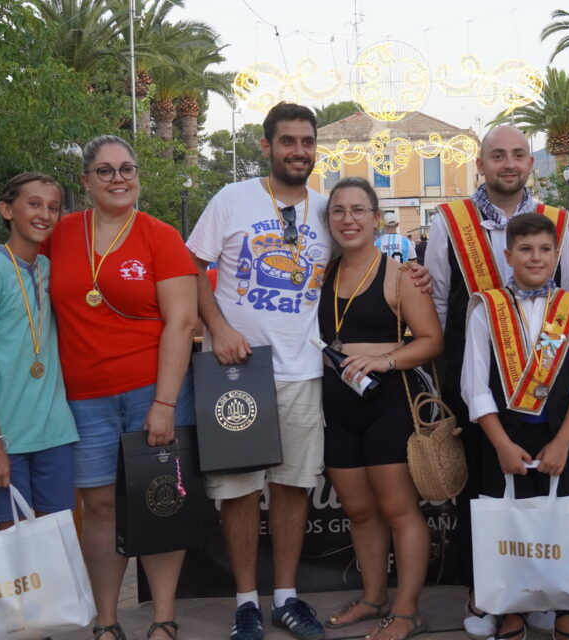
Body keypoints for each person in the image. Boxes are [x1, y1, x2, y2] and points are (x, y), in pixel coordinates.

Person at [189, 102, 433, 640]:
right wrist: (218, 329)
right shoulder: (232, 199)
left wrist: (412, 269)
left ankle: (286, 598)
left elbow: (361, 263)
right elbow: (191, 268)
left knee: (292, 487)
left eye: (306, 142)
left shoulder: (327, 211)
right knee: (237, 492)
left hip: (303, 373)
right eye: (287, 141)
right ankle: (246, 603)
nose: (298, 151)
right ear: (267, 145)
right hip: (237, 371)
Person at [423, 124, 569, 637]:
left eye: (518, 155)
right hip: (477, 380)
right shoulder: (450, 221)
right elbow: (440, 302)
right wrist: (445, 381)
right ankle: (487, 590)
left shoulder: (556, 221)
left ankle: (540, 586)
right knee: (483, 490)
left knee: (541, 488)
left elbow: (568, 294)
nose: (508, 163)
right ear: (481, 164)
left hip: (547, 378)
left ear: (530, 163)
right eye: (497, 155)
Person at [45, 135, 198, 640]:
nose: (118, 179)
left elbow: (181, 323)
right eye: (105, 171)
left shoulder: (160, 236)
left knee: (158, 501)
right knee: (101, 508)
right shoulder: (62, 233)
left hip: (150, 391)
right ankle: (106, 620)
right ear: (85, 181)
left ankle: (163, 618)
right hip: (84, 398)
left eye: (126, 169)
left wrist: (164, 403)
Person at [462, 214, 569, 640]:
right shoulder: (487, 308)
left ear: (556, 254)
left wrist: (563, 442)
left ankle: (564, 611)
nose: (535, 257)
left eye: (544, 249)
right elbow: (474, 385)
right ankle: (511, 610)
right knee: (508, 525)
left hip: (560, 435)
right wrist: (501, 444)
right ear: (509, 255)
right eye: (525, 249)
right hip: (503, 438)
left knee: (562, 523)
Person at [317, 178, 443, 640]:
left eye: (357, 210)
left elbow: (432, 341)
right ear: (328, 221)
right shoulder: (322, 274)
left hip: (389, 402)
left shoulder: (401, 274)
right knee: (359, 510)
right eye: (338, 211)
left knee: (398, 510)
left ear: (376, 218)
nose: (348, 219)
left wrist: (384, 360)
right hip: (338, 405)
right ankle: (373, 598)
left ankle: (406, 611)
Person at [0, 172, 79, 527]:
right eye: (33, 204)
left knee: (58, 536)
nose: (45, 214)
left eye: (53, 207)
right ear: (6, 209)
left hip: (53, 431)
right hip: (4, 435)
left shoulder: (50, 269)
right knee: (14, 548)